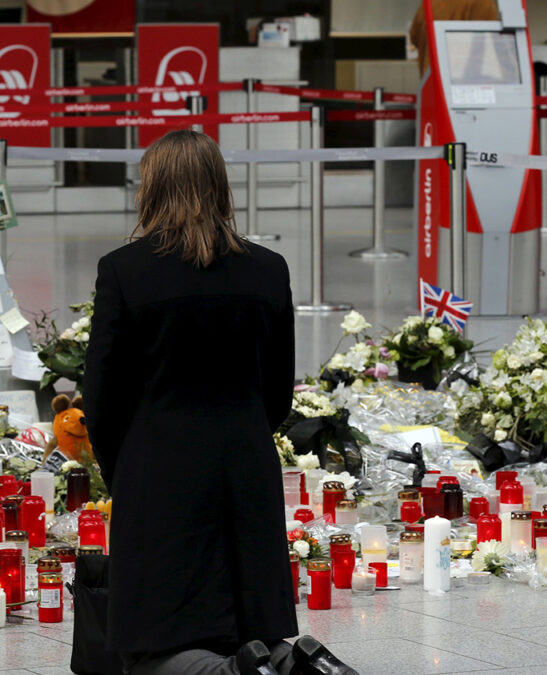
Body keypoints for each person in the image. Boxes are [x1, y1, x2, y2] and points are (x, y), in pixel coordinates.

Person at [83, 130, 357, 675]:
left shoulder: (125, 271)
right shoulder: (267, 268)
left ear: (151, 188)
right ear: (220, 187)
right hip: (244, 460)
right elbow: (279, 390)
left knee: (156, 640)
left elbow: (102, 397)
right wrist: (246, 435)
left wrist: (126, 473)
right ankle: (289, 660)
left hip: (158, 465)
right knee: (252, 614)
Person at [408, 0, 501, 75]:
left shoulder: (429, 4)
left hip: (431, 81)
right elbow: (495, 43)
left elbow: (414, 37)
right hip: (467, 83)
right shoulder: (483, 3)